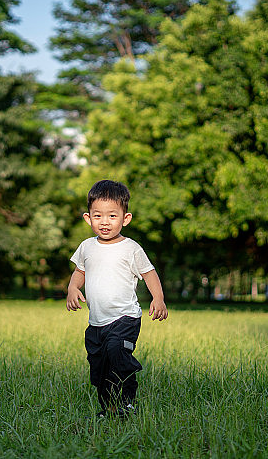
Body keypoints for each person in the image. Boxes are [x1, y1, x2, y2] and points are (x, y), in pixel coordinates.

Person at [66, 179, 168, 418]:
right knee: (99, 368)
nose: (105, 222)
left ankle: (128, 399)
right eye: (98, 216)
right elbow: (79, 272)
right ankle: (109, 409)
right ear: (88, 218)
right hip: (96, 323)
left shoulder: (130, 248)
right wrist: (72, 289)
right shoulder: (86, 247)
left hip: (125, 318)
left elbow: (149, 273)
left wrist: (158, 298)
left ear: (125, 218)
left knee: (116, 351)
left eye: (112, 216)